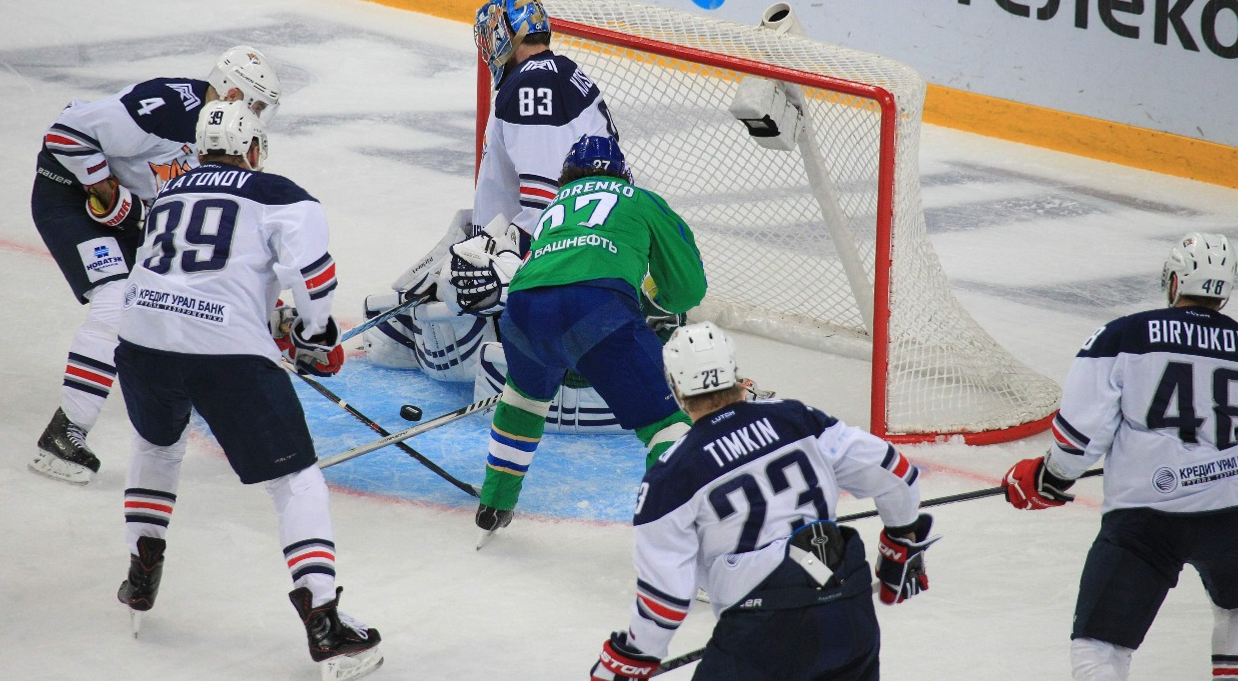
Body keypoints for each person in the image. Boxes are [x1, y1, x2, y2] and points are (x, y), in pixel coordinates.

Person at [112, 100, 382, 680]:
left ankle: (141, 571)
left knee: (156, 445)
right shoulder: (279, 193)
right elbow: (313, 276)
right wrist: (314, 334)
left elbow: (193, 272)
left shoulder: (170, 191)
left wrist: (272, 321)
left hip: (140, 340)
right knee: (295, 480)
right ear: (253, 148)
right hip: (225, 353)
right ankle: (324, 619)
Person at [589, 322, 938, 681]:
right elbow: (895, 474)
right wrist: (901, 542)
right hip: (849, 613)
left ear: (676, 389)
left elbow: (667, 597)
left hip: (762, 634)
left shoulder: (671, 476)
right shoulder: (798, 419)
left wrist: (633, 656)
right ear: (735, 374)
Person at [361, 0, 628, 425]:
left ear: (507, 34)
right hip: (589, 255)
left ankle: (529, 350)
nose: (488, 48)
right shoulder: (557, 74)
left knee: (452, 292)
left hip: (563, 266)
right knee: (454, 248)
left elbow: (549, 207)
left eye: (491, 36)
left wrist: (499, 259)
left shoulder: (531, 84)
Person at [28, 45, 282, 484]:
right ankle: (64, 432)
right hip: (69, 197)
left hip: (135, 219)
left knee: (171, 304)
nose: (257, 116)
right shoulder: (167, 104)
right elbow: (65, 134)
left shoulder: (227, 137)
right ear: (232, 92)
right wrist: (107, 192)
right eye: (255, 104)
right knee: (117, 301)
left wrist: (266, 313)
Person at [1002, 231, 1238, 681]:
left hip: (1146, 522)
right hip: (1232, 517)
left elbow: (1079, 440)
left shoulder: (1124, 335)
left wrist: (1049, 478)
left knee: (1099, 648)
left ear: (1174, 282)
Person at [445, 134, 706, 539]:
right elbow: (687, 289)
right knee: (667, 424)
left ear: (566, 176)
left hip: (523, 309)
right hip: (598, 308)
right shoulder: (641, 200)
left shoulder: (554, 206)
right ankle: (681, 532)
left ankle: (494, 503)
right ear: (623, 173)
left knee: (522, 402)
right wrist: (650, 300)